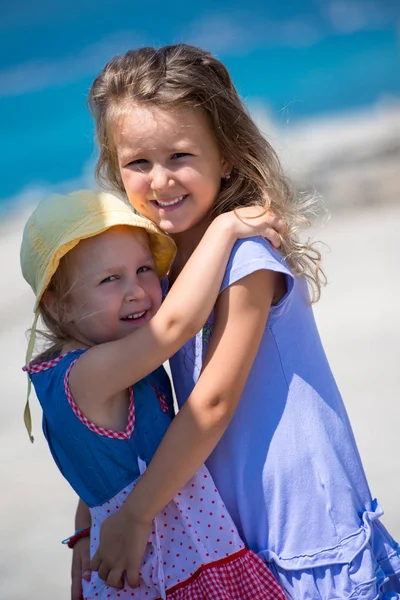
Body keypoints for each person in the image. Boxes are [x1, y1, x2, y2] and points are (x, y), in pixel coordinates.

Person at [72, 43, 400, 599]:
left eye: (180, 156)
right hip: (230, 525)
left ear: (224, 156)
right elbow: (127, 414)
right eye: (138, 163)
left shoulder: (248, 263)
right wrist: (91, 524)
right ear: (115, 168)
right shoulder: (158, 278)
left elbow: (214, 401)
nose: (160, 181)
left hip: (300, 520)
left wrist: (136, 518)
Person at [21, 189, 287, 600]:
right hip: (160, 571)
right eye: (110, 279)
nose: (137, 291)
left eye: (145, 269)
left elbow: (101, 470)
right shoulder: (85, 375)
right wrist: (225, 228)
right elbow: (177, 324)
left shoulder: (98, 360)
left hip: (192, 555)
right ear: (57, 307)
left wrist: (83, 528)